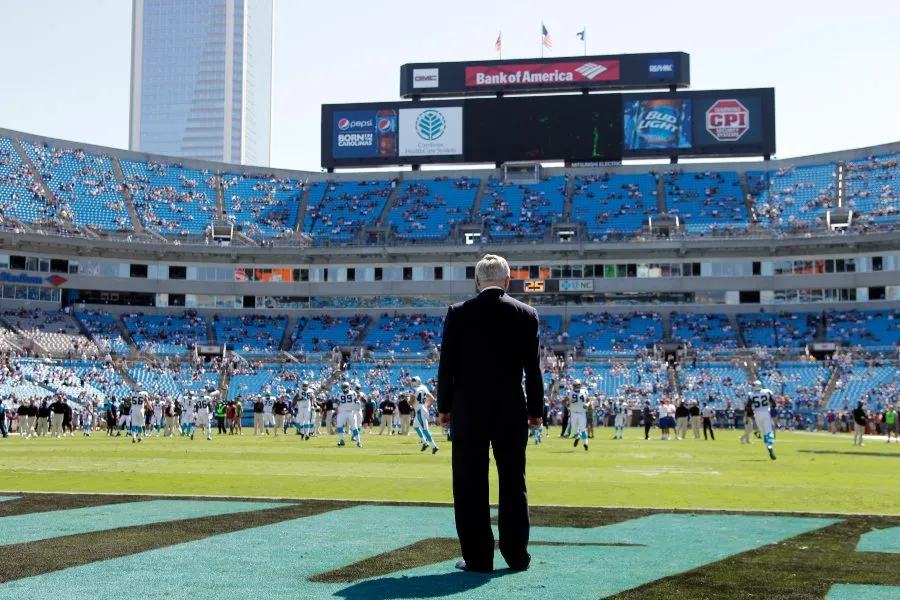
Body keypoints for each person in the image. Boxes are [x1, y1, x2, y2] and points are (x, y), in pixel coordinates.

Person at [437, 254, 542, 573]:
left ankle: (478, 557)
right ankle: (516, 555)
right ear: (508, 281)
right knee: (513, 481)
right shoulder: (527, 313)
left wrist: (444, 408)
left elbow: (447, 367)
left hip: (469, 409)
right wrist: (536, 411)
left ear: (477, 281)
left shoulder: (458, 313)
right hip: (511, 407)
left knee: (469, 483)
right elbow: (533, 371)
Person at [748, 380, 776, 460]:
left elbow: (748, 407)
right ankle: (770, 447)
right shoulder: (767, 392)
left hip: (757, 414)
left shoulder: (751, 394)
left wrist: (751, 417)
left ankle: (768, 446)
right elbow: (774, 404)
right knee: (769, 431)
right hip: (765, 412)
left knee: (764, 433)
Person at [336, 381, 362, 447]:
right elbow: (337, 402)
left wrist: (357, 403)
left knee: (354, 427)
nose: (344, 389)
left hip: (351, 411)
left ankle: (358, 442)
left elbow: (356, 401)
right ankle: (341, 440)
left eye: (345, 387)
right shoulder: (340, 394)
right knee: (339, 426)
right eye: (343, 387)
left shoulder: (353, 393)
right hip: (343, 411)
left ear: (348, 387)